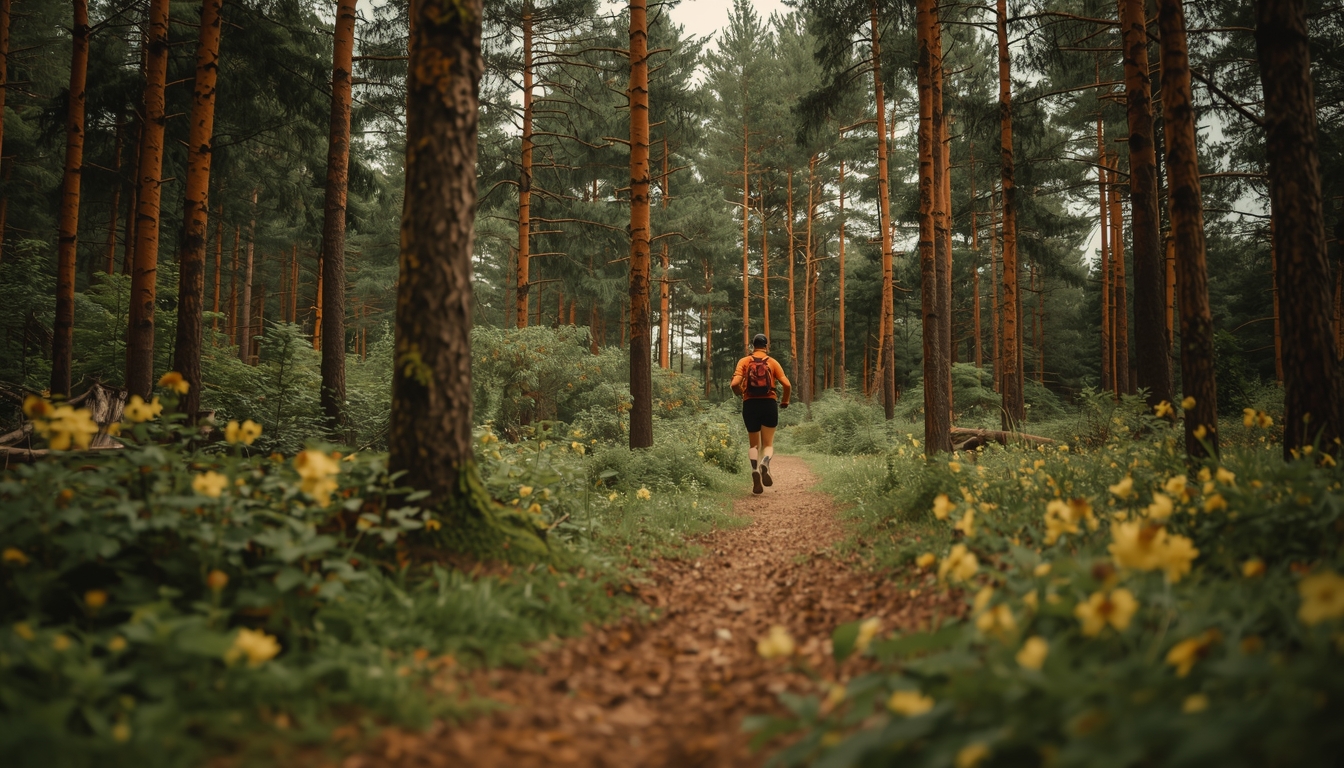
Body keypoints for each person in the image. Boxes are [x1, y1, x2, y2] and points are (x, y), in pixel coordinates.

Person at [730, 334, 791, 494]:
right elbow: (787, 384)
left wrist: (740, 392)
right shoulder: (772, 362)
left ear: (753, 345)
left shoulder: (744, 361)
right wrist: (785, 401)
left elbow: (735, 383)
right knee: (768, 444)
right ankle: (765, 462)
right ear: (766, 346)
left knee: (753, 445)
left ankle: (755, 469)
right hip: (769, 403)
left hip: (750, 404)